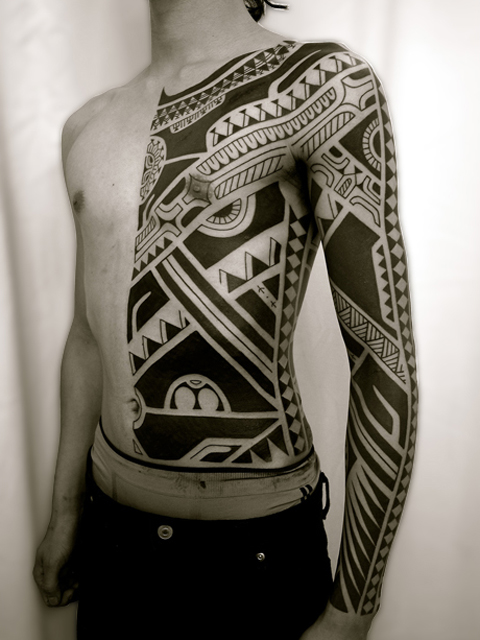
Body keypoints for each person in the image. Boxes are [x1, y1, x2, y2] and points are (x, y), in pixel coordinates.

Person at [33, 1, 418, 638]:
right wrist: (66, 512)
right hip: (112, 545)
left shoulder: (320, 85)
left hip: (254, 558)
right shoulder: (87, 125)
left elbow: (381, 360)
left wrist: (353, 612)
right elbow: (87, 338)